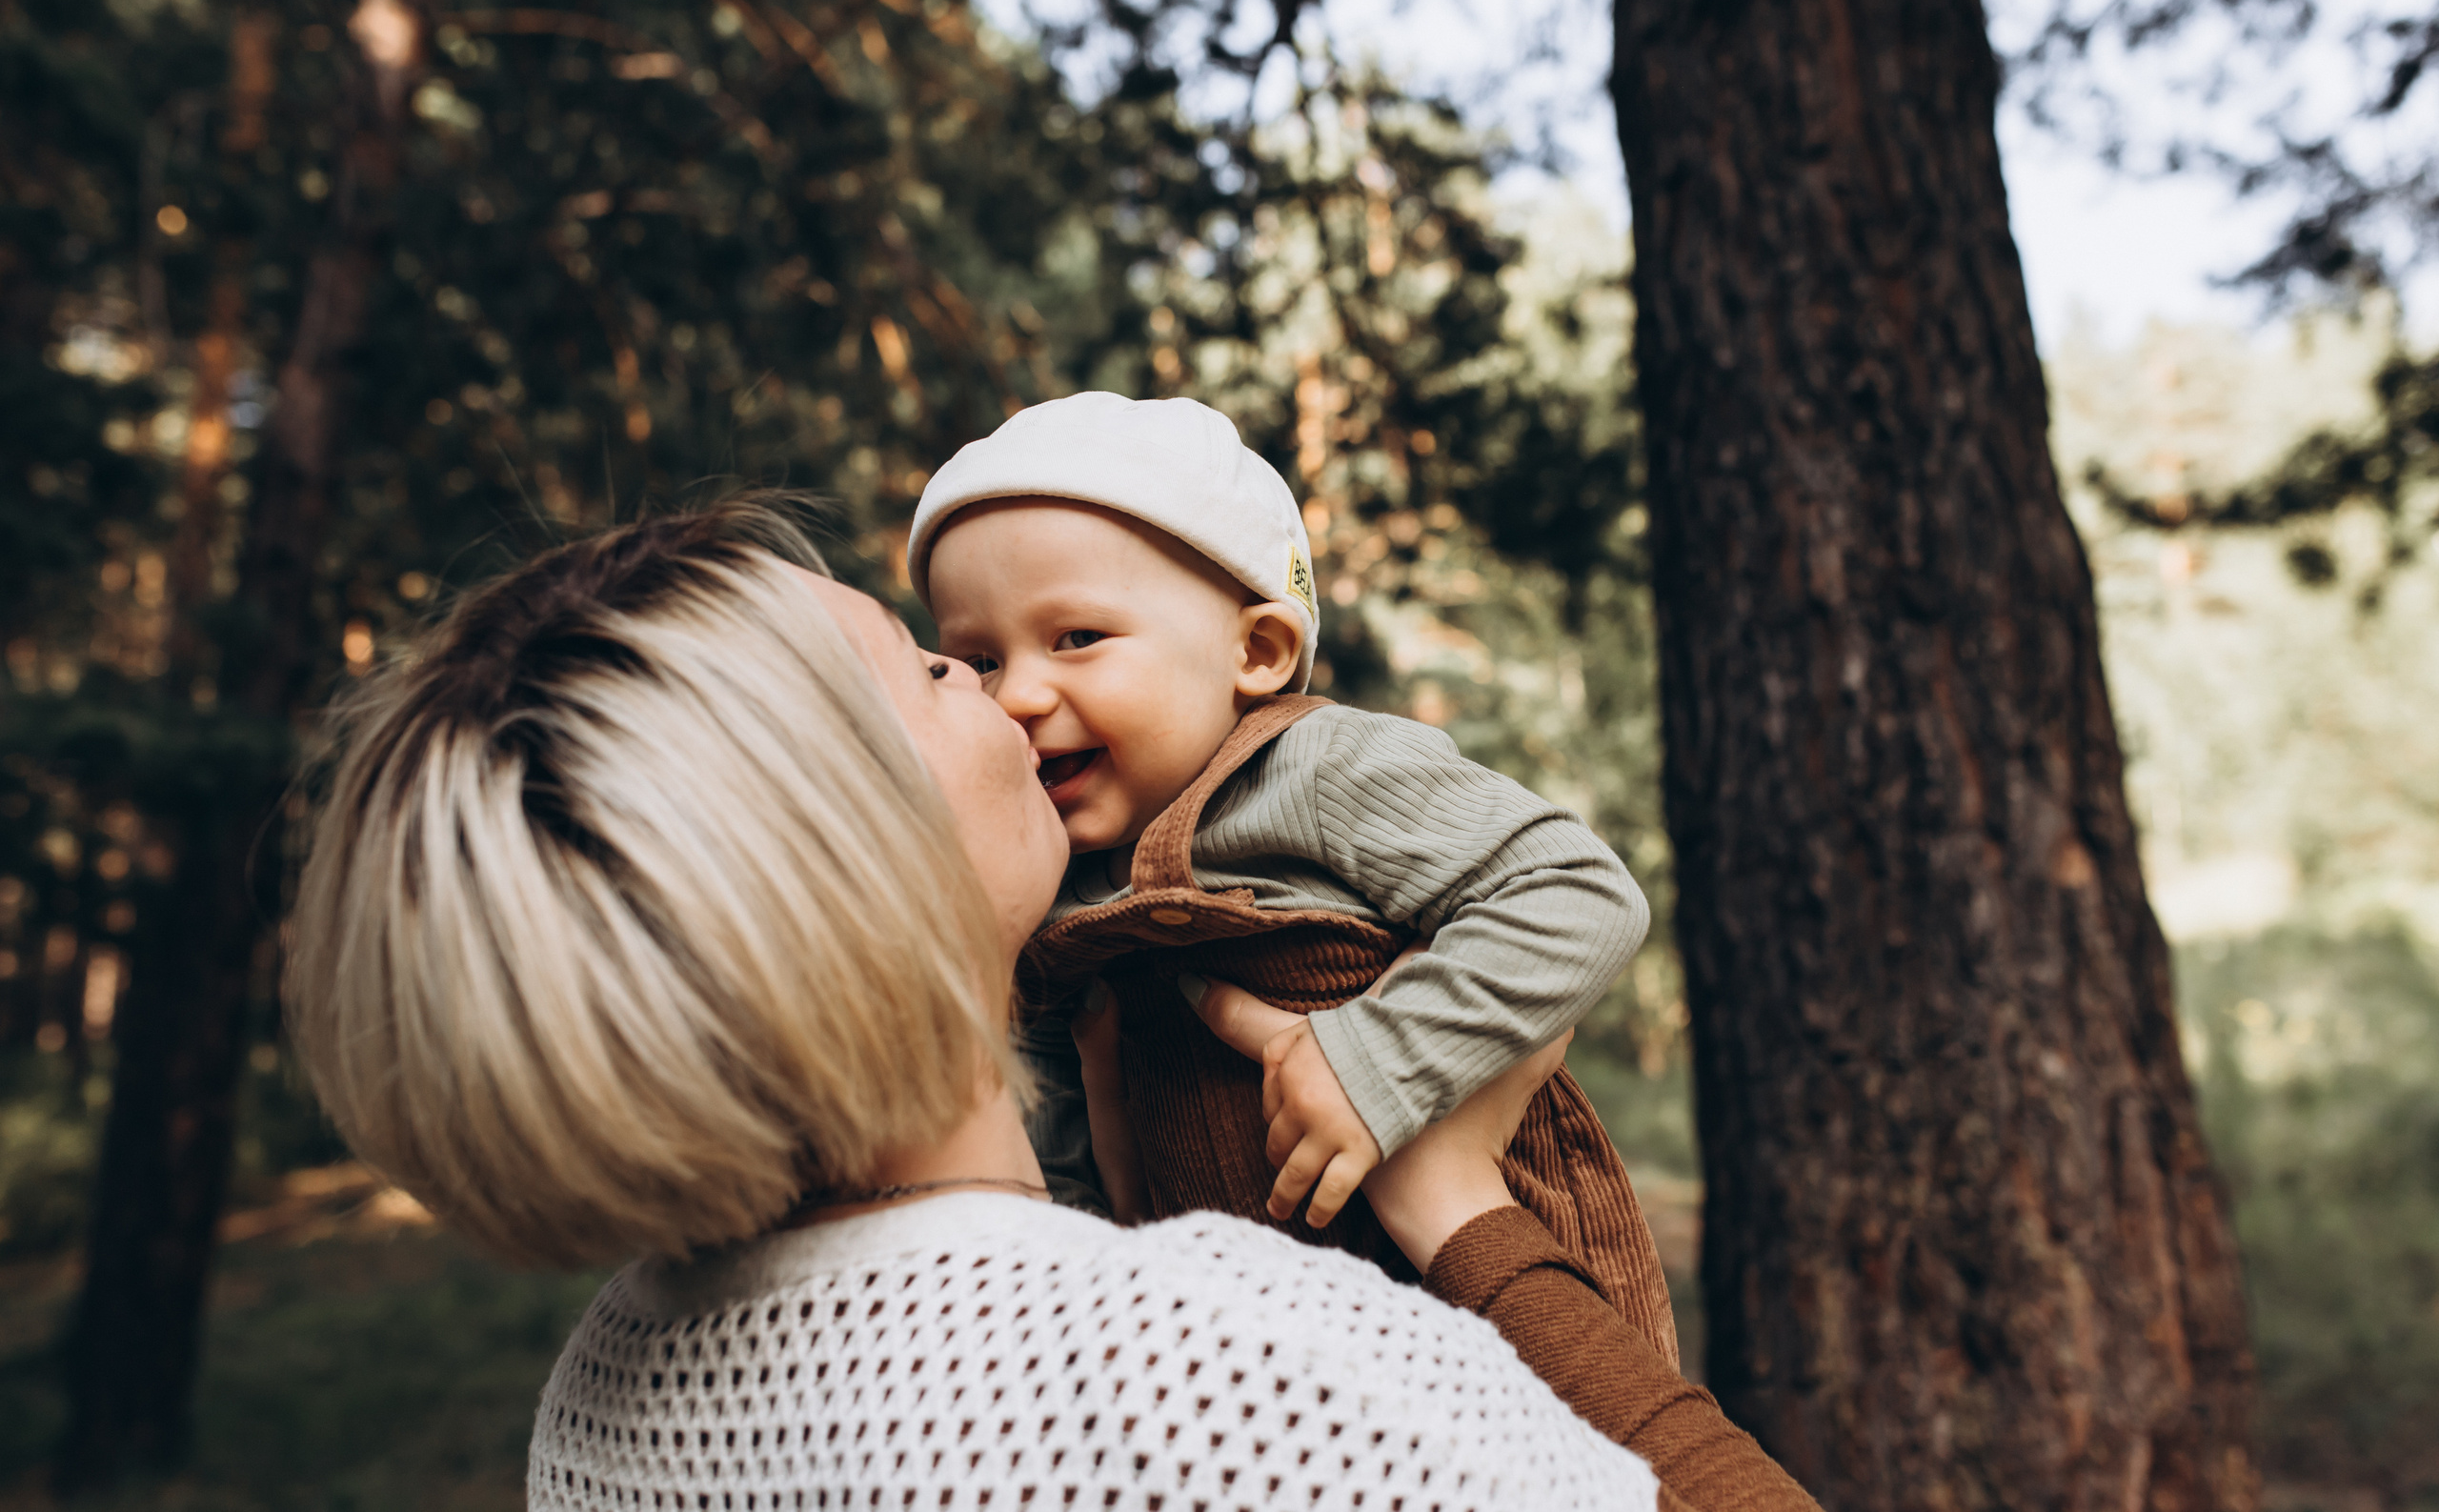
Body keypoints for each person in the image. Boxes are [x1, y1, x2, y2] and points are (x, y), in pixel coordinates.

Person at [282, 498, 1815, 1511]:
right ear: (845, 849)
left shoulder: (602, 1390)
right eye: (925, 668)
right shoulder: (1211, 1363)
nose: (988, 680)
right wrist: (1465, 1213)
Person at [908, 393, 1672, 1351]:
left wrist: (1379, 1059)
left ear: (1256, 652)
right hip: (1257, 1343)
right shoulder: (1047, 876)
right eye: (976, 657)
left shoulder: (1318, 769)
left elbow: (1576, 892)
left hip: (1486, 1298)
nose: (1017, 693)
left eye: (1077, 638)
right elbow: (1052, 1117)